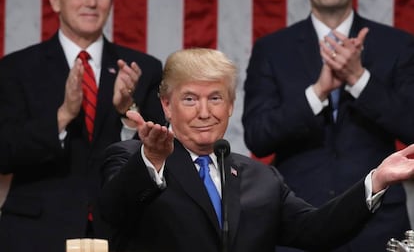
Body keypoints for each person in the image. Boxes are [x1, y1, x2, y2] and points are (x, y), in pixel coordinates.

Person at [99, 47, 414, 252]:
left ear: (232, 105)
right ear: (167, 105)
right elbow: (113, 213)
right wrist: (151, 161)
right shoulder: (132, 160)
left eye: (216, 98)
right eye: (191, 99)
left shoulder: (262, 179)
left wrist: (378, 180)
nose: (204, 112)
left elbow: (316, 231)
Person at [242, 0, 414, 251]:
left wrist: (358, 79)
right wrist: (318, 92)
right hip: (297, 221)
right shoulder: (272, 49)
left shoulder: (397, 45)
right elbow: (257, 136)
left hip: (378, 225)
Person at [0, 0, 165, 252]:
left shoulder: (145, 69)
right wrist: (62, 116)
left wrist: (127, 113)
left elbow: (163, 157)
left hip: (123, 232)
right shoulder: (15, 69)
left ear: (111, 1)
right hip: (36, 233)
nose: (91, 1)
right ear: (55, 0)